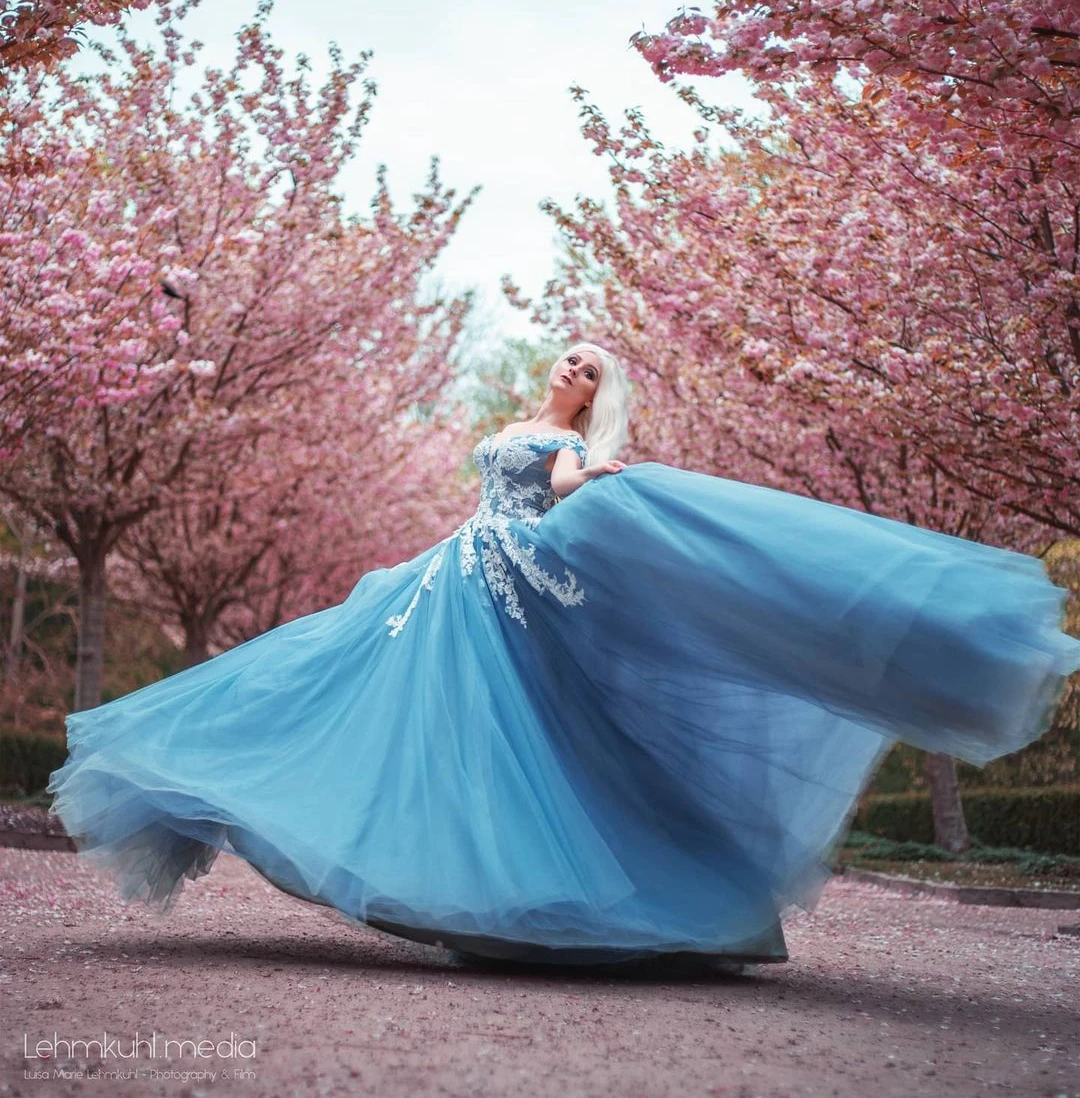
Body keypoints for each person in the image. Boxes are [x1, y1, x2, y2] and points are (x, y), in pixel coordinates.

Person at [47, 343, 1080, 969]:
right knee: (338, 679)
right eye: (569, 360)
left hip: (501, 585)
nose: (572, 371)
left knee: (497, 733)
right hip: (449, 572)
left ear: (597, 396)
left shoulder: (570, 445)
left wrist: (597, 471)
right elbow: (497, 487)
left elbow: (574, 486)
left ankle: (515, 901)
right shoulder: (516, 422)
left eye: (590, 370)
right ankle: (216, 783)